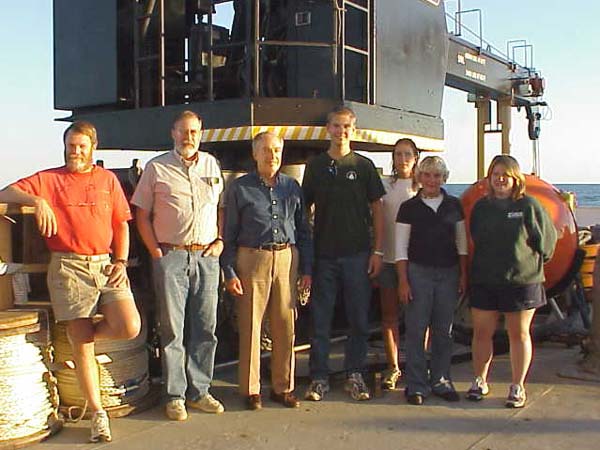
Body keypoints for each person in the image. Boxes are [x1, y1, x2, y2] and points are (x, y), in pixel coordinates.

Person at [0, 121, 141, 443]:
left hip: (106, 265)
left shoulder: (107, 180)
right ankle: (97, 414)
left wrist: (121, 261)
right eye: (71, 145)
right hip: (68, 267)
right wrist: (38, 201)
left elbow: (121, 224)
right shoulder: (49, 179)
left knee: (129, 325)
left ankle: (82, 344)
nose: (75, 151)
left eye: (81, 146)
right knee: (83, 344)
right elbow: (4, 192)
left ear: (93, 148)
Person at [131, 110, 225, 421]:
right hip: (171, 257)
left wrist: (220, 240)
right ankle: (175, 396)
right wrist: (156, 251)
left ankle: (200, 391)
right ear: (173, 133)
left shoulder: (211, 164)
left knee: (206, 328)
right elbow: (141, 214)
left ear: (201, 133)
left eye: (194, 132)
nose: (189, 137)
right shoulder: (157, 168)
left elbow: (220, 207)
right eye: (183, 131)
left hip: (206, 258)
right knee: (173, 330)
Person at [221, 131, 312, 410]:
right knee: (251, 324)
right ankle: (251, 390)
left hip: (286, 258)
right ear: (255, 154)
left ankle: (283, 387)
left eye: (276, 150)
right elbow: (230, 233)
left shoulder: (292, 186)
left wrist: (306, 269)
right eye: (266, 150)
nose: (272, 155)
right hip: (252, 259)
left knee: (286, 325)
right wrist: (229, 271)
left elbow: (304, 230)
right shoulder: (240, 188)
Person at [302, 106, 385, 402]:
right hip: (324, 256)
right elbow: (304, 209)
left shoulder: (363, 166)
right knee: (321, 320)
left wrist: (378, 250)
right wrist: (305, 255)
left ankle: (355, 374)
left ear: (354, 129)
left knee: (359, 319)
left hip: (358, 255)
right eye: (336, 126)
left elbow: (377, 208)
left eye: (346, 127)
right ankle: (319, 377)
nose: (341, 132)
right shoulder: (316, 166)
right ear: (328, 129)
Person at [467, 154, 557, 408]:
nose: (500, 179)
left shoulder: (529, 205)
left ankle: (517, 386)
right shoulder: (481, 208)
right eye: (496, 174)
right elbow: (475, 237)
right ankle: (479, 380)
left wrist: (527, 265)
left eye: (505, 174)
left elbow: (547, 244)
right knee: (482, 333)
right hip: (485, 279)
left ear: (515, 178)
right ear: (489, 177)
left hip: (521, 282)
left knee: (518, 334)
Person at [396, 156, 467, 405]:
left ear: (443, 178)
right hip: (418, 273)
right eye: (427, 175)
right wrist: (403, 281)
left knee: (443, 331)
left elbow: (462, 245)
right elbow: (401, 248)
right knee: (415, 330)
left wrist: (463, 276)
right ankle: (416, 384)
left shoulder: (454, 206)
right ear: (420, 177)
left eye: (437, 176)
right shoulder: (408, 208)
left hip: (448, 274)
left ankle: (441, 380)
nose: (431, 180)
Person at [377, 138, 419, 390]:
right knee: (389, 317)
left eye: (407, 154)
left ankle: (416, 364)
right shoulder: (384, 186)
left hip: (416, 263)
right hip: (388, 260)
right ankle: (393, 366)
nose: (402, 159)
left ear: (415, 157)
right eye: (398, 154)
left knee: (417, 319)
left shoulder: (422, 187)